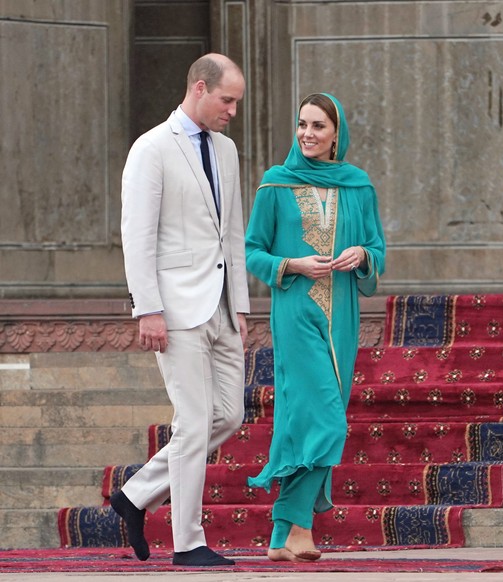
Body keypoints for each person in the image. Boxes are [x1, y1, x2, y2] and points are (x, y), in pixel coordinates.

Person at [111, 53, 250, 567]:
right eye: (226, 100)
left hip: (221, 307)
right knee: (193, 422)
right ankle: (188, 543)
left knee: (228, 414)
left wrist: (240, 302)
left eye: (236, 101)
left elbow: (230, 230)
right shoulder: (152, 148)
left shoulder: (228, 151)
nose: (233, 110)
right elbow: (138, 235)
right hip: (173, 309)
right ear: (199, 88)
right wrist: (147, 308)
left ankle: (134, 494)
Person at [245, 93, 386, 562]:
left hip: (341, 316)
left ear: (335, 135)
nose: (307, 133)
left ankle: (280, 539)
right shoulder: (275, 184)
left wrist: (362, 256)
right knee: (325, 418)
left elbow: (376, 247)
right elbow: (252, 252)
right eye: (302, 124)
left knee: (304, 418)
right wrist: (293, 264)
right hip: (295, 312)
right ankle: (301, 528)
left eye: (318, 126)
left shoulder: (357, 186)